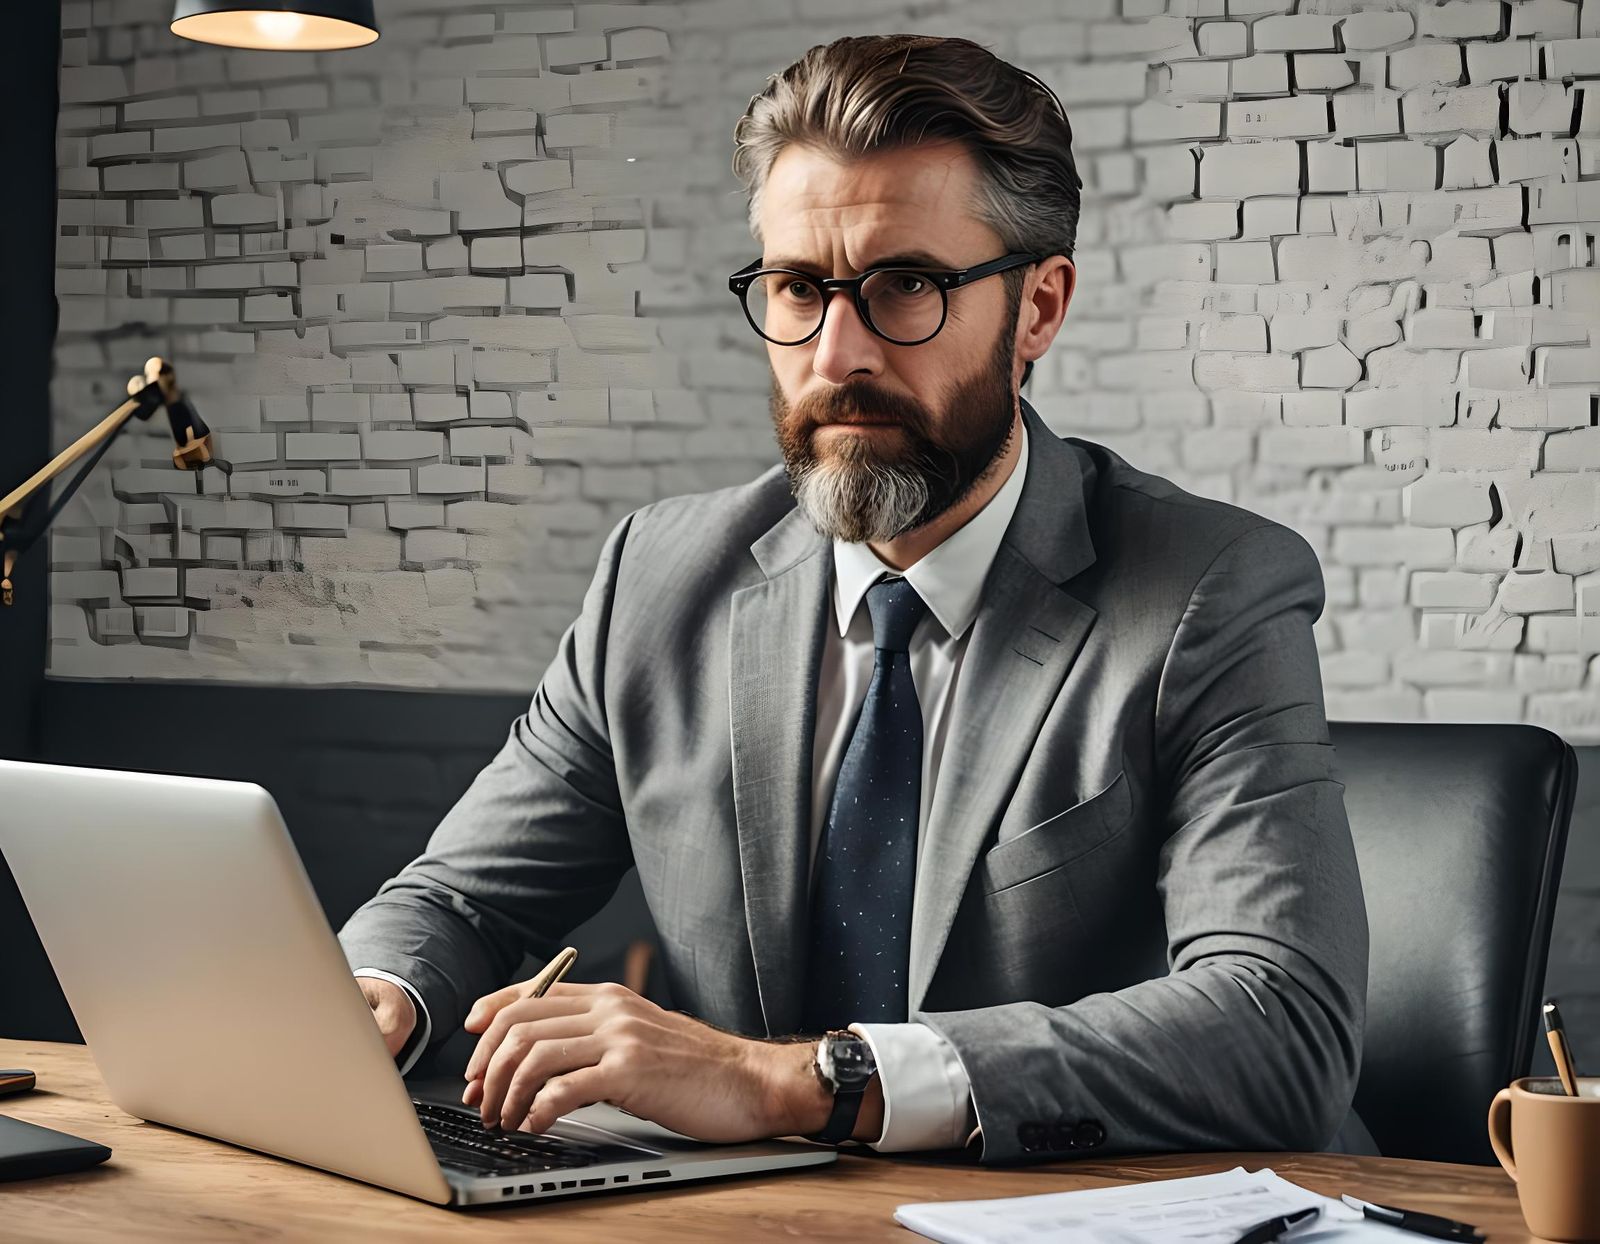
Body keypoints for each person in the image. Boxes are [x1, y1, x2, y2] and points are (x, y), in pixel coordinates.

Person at [338, 32, 1369, 1164]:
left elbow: (1279, 1023)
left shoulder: (1208, 592)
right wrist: (374, 993)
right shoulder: (659, 577)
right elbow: (460, 900)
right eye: (796, 288)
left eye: (905, 287)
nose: (836, 354)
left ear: (1038, 308)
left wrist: (792, 1079)